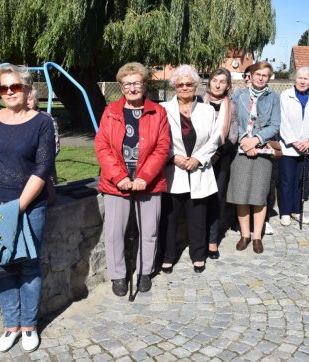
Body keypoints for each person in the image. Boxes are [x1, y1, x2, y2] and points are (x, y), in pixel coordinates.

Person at [0, 64, 56, 353]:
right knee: (3, 264)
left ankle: (29, 326)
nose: (8, 93)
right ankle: (11, 325)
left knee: (29, 265)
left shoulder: (41, 123)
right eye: (3, 88)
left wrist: (18, 207)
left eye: (14, 87)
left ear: (28, 88)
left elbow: (43, 168)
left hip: (29, 208)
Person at [95, 62, 170, 296]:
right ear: (121, 86)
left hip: (149, 182)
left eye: (137, 83)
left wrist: (145, 177)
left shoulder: (158, 112)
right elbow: (102, 146)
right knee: (115, 231)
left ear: (145, 84)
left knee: (149, 231)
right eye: (127, 84)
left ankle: (144, 271)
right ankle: (118, 275)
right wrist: (119, 177)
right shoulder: (111, 112)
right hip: (116, 182)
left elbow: (162, 147)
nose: (132, 88)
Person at [160, 64, 219, 273]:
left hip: (199, 171)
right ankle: (167, 256)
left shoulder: (207, 110)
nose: (185, 87)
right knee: (169, 217)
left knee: (198, 217)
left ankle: (198, 254)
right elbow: (159, 139)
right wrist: (173, 156)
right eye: (180, 84)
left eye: (189, 84)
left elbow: (214, 140)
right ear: (174, 86)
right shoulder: (163, 109)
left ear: (196, 86)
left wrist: (198, 158)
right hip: (172, 171)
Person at [227, 61, 280, 254]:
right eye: (258, 74)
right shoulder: (238, 95)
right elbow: (232, 120)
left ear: (269, 77)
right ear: (250, 74)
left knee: (259, 196)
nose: (260, 78)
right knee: (241, 194)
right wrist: (244, 140)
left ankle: (257, 236)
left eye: (265, 75)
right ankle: (245, 234)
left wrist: (256, 140)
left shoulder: (274, 97)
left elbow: (275, 125)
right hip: (240, 150)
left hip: (262, 151)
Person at [278, 66, 309, 227]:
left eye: (306, 78)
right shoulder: (285, 95)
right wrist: (293, 141)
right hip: (289, 147)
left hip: (307, 147)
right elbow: (282, 121)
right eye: (300, 78)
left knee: (300, 180)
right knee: (287, 181)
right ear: (294, 79)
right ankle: (285, 212)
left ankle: (296, 211)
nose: (302, 81)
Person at [203, 68, 238, 260]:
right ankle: (199, 238)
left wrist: (218, 151)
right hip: (200, 158)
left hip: (221, 158)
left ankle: (213, 241)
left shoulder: (230, 106)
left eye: (222, 81)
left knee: (217, 199)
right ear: (209, 82)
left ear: (228, 85)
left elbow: (234, 133)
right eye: (215, 80)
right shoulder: (199, 102)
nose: (217, 84)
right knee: (199, 200)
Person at [27, 87, 59, 205]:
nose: (27, 102)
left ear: (36, 100)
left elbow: (55, 146)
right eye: (24, 99)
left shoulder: (46, 118)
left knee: (47, 205)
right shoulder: (17, 119)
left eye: (30, 99)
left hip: (44, 173)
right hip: (23, 174)